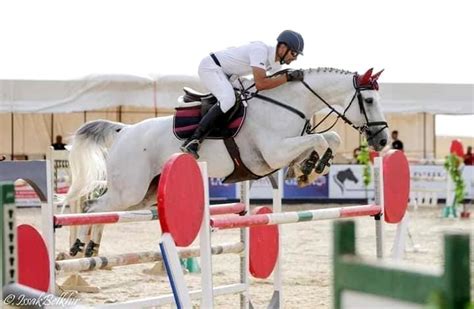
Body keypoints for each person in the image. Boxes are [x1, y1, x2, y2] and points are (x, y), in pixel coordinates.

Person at [180, 30, 305, 159]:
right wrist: (287, 78)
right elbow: (261, 84)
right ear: (282, 47)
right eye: (293, 53)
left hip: (230, 76)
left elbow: (265, 87)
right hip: (211, 67)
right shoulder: (260, 50)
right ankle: (194, 140)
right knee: (228, 99)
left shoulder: (276, 66)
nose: (294, 58)